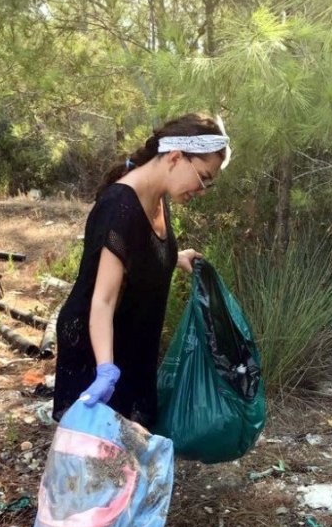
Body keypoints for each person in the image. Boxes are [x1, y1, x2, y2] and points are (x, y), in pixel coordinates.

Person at [52, 113, 230, 430]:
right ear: (176, 157)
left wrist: (174, 256)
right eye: (203, 177)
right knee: (98, 460)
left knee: (126, 457)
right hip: (100, 347)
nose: (202, 190)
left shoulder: (158, 197)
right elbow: (102, 301)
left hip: (135, 344)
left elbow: (136, 251)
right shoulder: (120, 205)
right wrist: (105, 370)